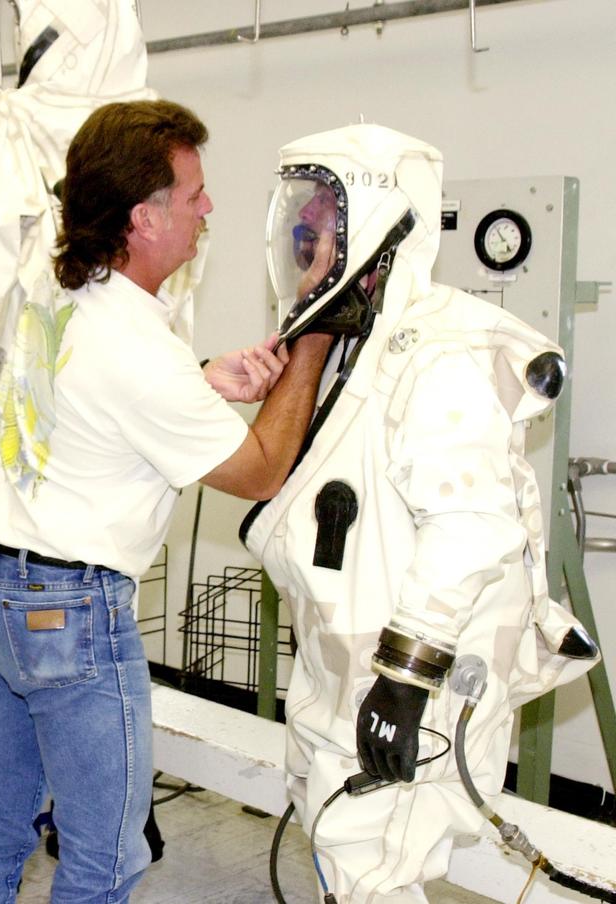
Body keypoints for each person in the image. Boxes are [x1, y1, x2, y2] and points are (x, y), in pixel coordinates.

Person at [0, 99, 332, 904]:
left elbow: (92, 397)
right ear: (143, 219)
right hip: (70, 616)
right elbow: (260, 471)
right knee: (107, 859)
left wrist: (202, 377)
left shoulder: (54, 288)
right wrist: (316, 337)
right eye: (193, 194)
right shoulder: (141, 350)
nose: (208, 207)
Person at [241, 123, 600, 903]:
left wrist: (405, 683)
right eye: (298, 230)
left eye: (319, 230)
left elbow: (472, 530)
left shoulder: (439, 358)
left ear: (372, 234)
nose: (305, 250)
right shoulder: (351, 345)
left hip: (411, 675)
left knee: (374, 867)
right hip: (342, 666)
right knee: (344, 848)